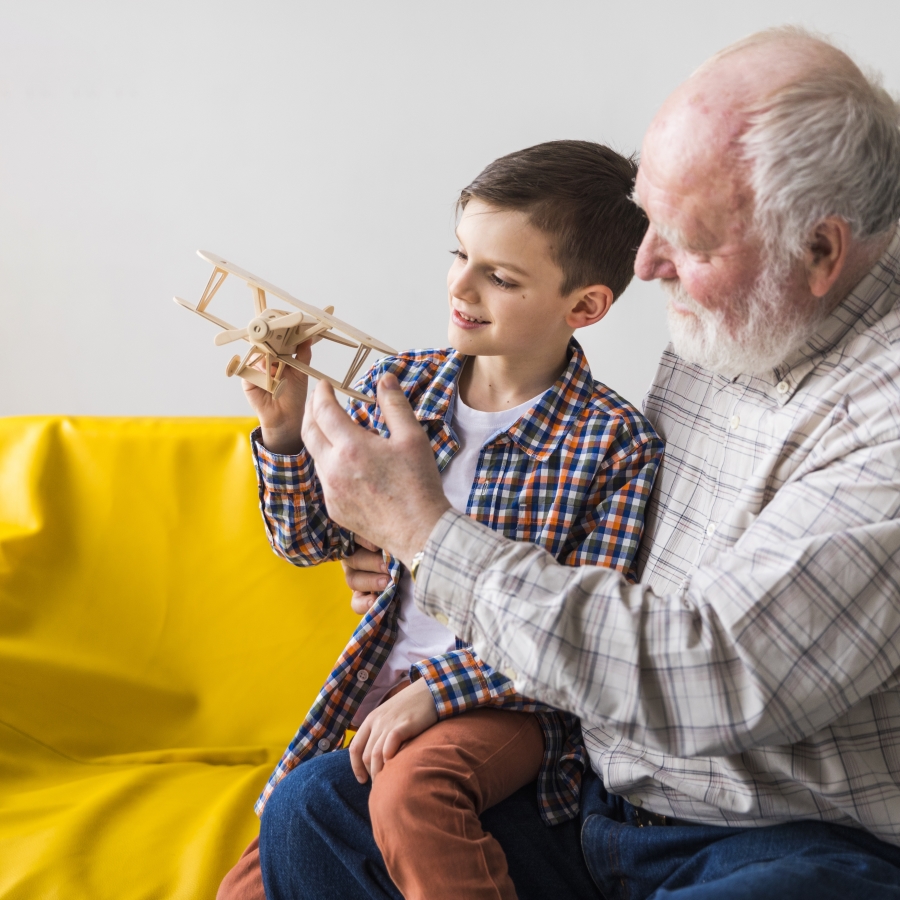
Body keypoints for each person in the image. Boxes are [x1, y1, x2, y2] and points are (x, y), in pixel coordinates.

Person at [285, 26, 900, 900]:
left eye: (684, 238)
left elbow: (711, 671)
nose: (646, 266)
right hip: (599, 802)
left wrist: (432, 537)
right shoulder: (736, 314)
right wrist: (418, 548)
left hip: (785, 842)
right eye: (648, 217)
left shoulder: (884, 422)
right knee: (315, 811)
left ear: (821, 253)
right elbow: (620, 551)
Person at [217, 140, 664, 900]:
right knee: (250, 884)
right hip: (376, 690)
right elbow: (307, 542)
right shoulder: (405, 387)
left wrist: (439, 692)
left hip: (507, 702)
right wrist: (285, 436)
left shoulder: (615, 441)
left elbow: (587, 627)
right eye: (459, 254)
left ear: (583, 306)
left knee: (413, 793)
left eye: (500, 276)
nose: (462, 285)